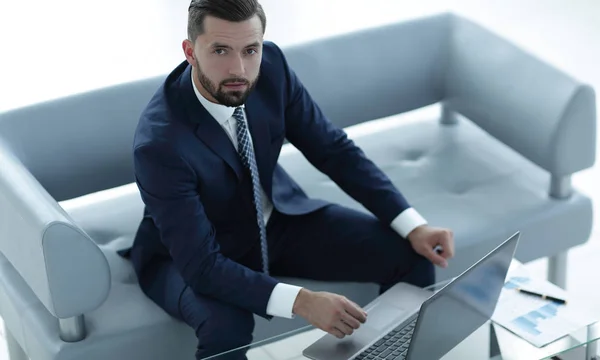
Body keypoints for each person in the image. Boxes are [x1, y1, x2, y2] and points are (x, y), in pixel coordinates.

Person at [127, 0, 455, 359]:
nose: (239, 68)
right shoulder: (160, 144)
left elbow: (333, 149)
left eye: (250, 49)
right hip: (191, 255)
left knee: (414, 255)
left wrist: (413, 224)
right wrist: (302, 301)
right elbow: (203, 266)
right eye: (220, 50)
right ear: (190, 51)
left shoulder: (272, 68)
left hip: (278, 222)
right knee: (227, 327)